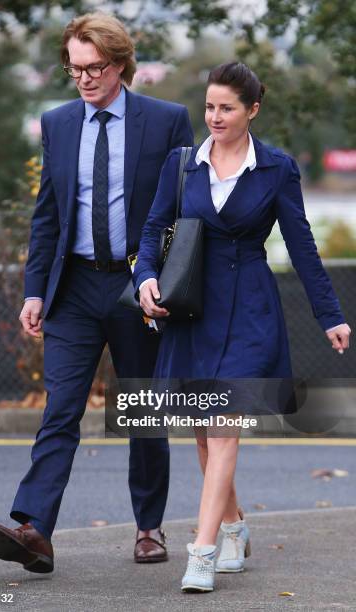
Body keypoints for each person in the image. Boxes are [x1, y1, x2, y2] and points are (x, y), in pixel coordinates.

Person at [0, 12, 193, 573]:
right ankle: (33, 529)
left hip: (137, 287)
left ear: (121, 64)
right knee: (61, 410)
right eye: (74, 69)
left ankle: (149, 527)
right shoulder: (57, 123)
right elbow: (48, 213)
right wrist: (35, 290)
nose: (84, 79)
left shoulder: (167, 121)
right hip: (72, 287)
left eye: (95, 67)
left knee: (144, 411)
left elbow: (183, 210)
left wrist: (168, 282)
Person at [133, 61, 351, 593]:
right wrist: (144, 277)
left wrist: (331, 315)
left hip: (251, 307)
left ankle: (202, 552)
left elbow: (302, 245)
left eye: (226, 108)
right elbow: (154, 228)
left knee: (224, 425)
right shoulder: (182, 164)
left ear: (252, 110)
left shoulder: (276, 168)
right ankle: (233, 525)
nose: (215, 116)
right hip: (193, 309)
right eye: (209, 106)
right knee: (202, 433)